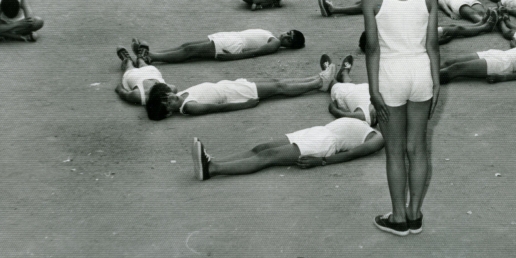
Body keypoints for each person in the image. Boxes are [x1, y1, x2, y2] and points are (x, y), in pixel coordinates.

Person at [361, 0, 440, 237]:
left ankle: (397, 218)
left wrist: (373, 89)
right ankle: (414, 213)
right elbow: (433, 45)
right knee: (418, 148)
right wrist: (436, 82)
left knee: (394, 151)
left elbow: (372, 48)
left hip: (390, 76)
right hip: (421, 71)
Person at [189, 114, 384, 180]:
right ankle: (213, 161)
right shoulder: (366, 122)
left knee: (270, 156)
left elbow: (352, 154)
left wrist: (321, 161)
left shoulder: (378, 138)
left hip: (324, 143)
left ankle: (212, 169)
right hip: (317, 131)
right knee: (261, 147)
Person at [144, 57, 336, 120]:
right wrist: (245, 104)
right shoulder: (189, 107)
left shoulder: (178, 95)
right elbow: (219, 108)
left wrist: (154, 96)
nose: (171, 98)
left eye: (167, 96)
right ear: (169, 113)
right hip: (237, 94)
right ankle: (320, 83)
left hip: (232, 85)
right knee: (279, 87)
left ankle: (315, 79)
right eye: (168, 103)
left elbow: (166, 88)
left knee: (277, 80)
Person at [133, 28, 305, 63]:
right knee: (187, 46)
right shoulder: (272, 35)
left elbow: (255, 53)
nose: (285, 36)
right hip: (231, 36)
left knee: (190, 51)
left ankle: (152, 56)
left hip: (233, 44)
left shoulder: (274, 43)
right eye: (288, 32)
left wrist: (231, 57)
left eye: (289, 39)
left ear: (289, 46)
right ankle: (152, 54)